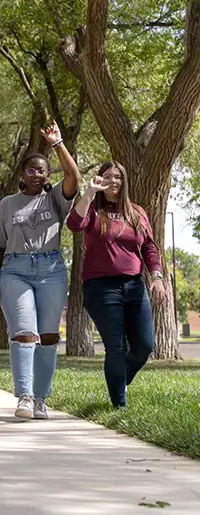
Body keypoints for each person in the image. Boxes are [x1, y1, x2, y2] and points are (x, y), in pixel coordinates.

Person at [0, 123, 80, 419]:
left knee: (49, 336)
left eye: (42, 171)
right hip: (15, 270)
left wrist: (57, 144)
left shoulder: (55, 200)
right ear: (22, 176)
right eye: (31, 170)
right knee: (25, 334)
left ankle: (41, 399)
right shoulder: (7, 205)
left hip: (51, 268)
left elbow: (73, 176)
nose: (37, 174)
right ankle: (25, 397)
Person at [67, 161, 166, 409]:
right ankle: (119, 407)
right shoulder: (92, 210)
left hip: (134, 285)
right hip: (100, 287)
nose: (114, 181)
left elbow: (149, 247)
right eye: (108, 176)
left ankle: (119, 380)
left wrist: (156, 277)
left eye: (118, 177)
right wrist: (89, 193)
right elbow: (73, 224)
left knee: (144, 345)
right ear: (100, 179)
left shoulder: (137, 212)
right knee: (116, 348)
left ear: (124, 181)